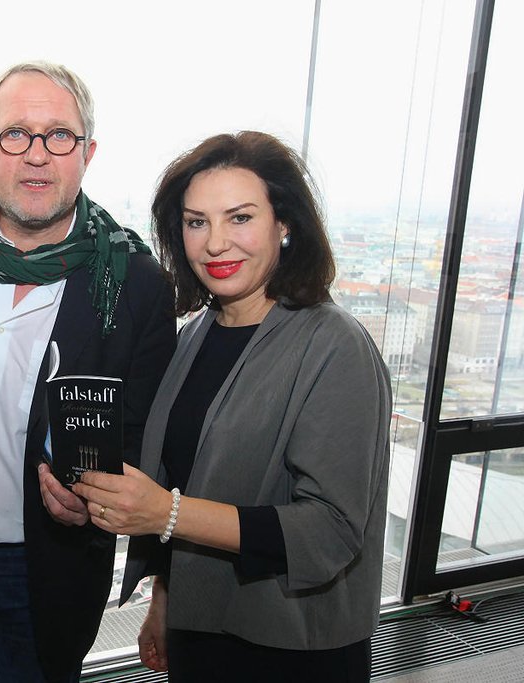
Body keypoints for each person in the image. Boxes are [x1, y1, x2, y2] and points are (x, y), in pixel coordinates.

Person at [0, 62, 176, 682]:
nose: (37, 154)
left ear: (88, 152)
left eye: (59, 135)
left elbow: (143, 438)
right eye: (16, 133)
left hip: (44, 571)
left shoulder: (136, 284)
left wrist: (92, 500)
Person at [73, 131, 392, 682]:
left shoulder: (335, 345)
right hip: (199, 626)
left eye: (240, 218)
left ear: (284, 223)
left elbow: (331, 530)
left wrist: (166, 513)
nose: (216, 243)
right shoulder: (195, 335)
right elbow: (190, 479)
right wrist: (163, 601)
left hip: (293, 645)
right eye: (196, 222)